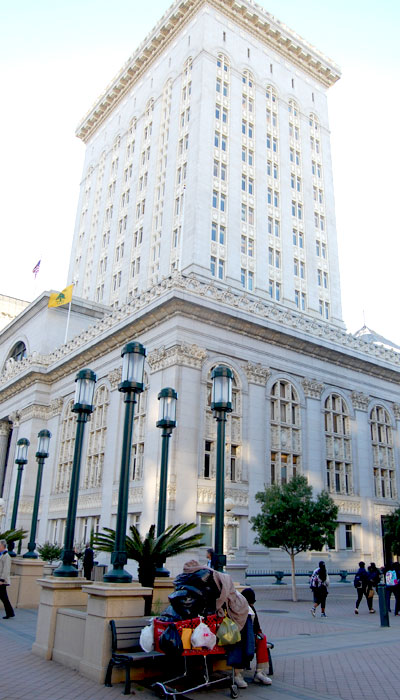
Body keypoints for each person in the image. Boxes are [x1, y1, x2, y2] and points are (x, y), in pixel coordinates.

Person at [241, 587, 272, 686]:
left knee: (262, 639)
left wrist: (259, 634)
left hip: (251, 637)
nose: (252, 605)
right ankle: (238, 674)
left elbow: (257, 627)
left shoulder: (252, 609)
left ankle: (259, 671)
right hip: (241, 636)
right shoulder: (238, 609)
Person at [0, 539, 15, 619]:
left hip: (2, 581)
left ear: (3, 546)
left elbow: (6, 569)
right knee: (4, 598)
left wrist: (2, 580)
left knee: (4, 598)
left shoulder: (6, 556)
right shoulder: (1, 555)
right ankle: (10, 613)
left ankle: (10, 613)